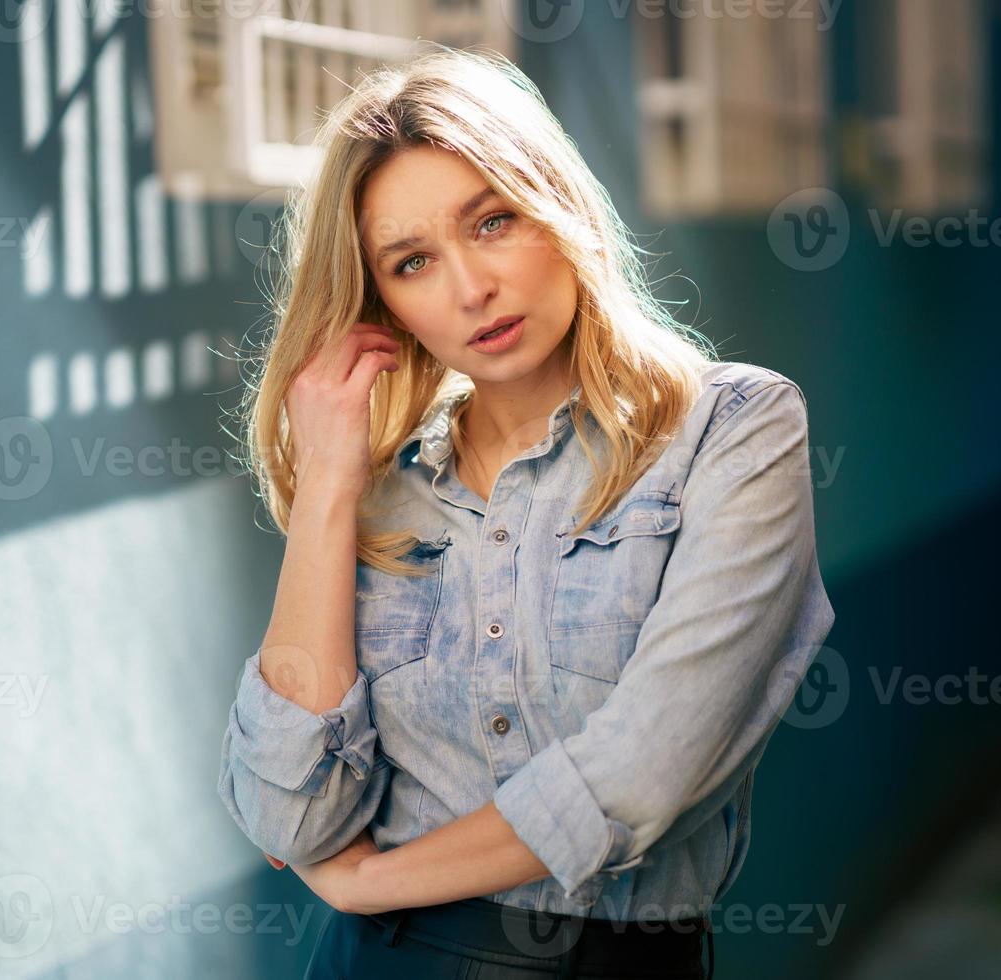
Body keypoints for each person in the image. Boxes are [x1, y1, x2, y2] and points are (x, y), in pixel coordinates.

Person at [216, 45, 835, 979]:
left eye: (493, 220)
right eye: (413, 261)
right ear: (382, 302)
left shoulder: (735, 431)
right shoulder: (384, 490)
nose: (471, 289)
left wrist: (370, 883)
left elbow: (644, 774)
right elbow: (289, 815)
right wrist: (329, 491)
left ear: (559, 204)